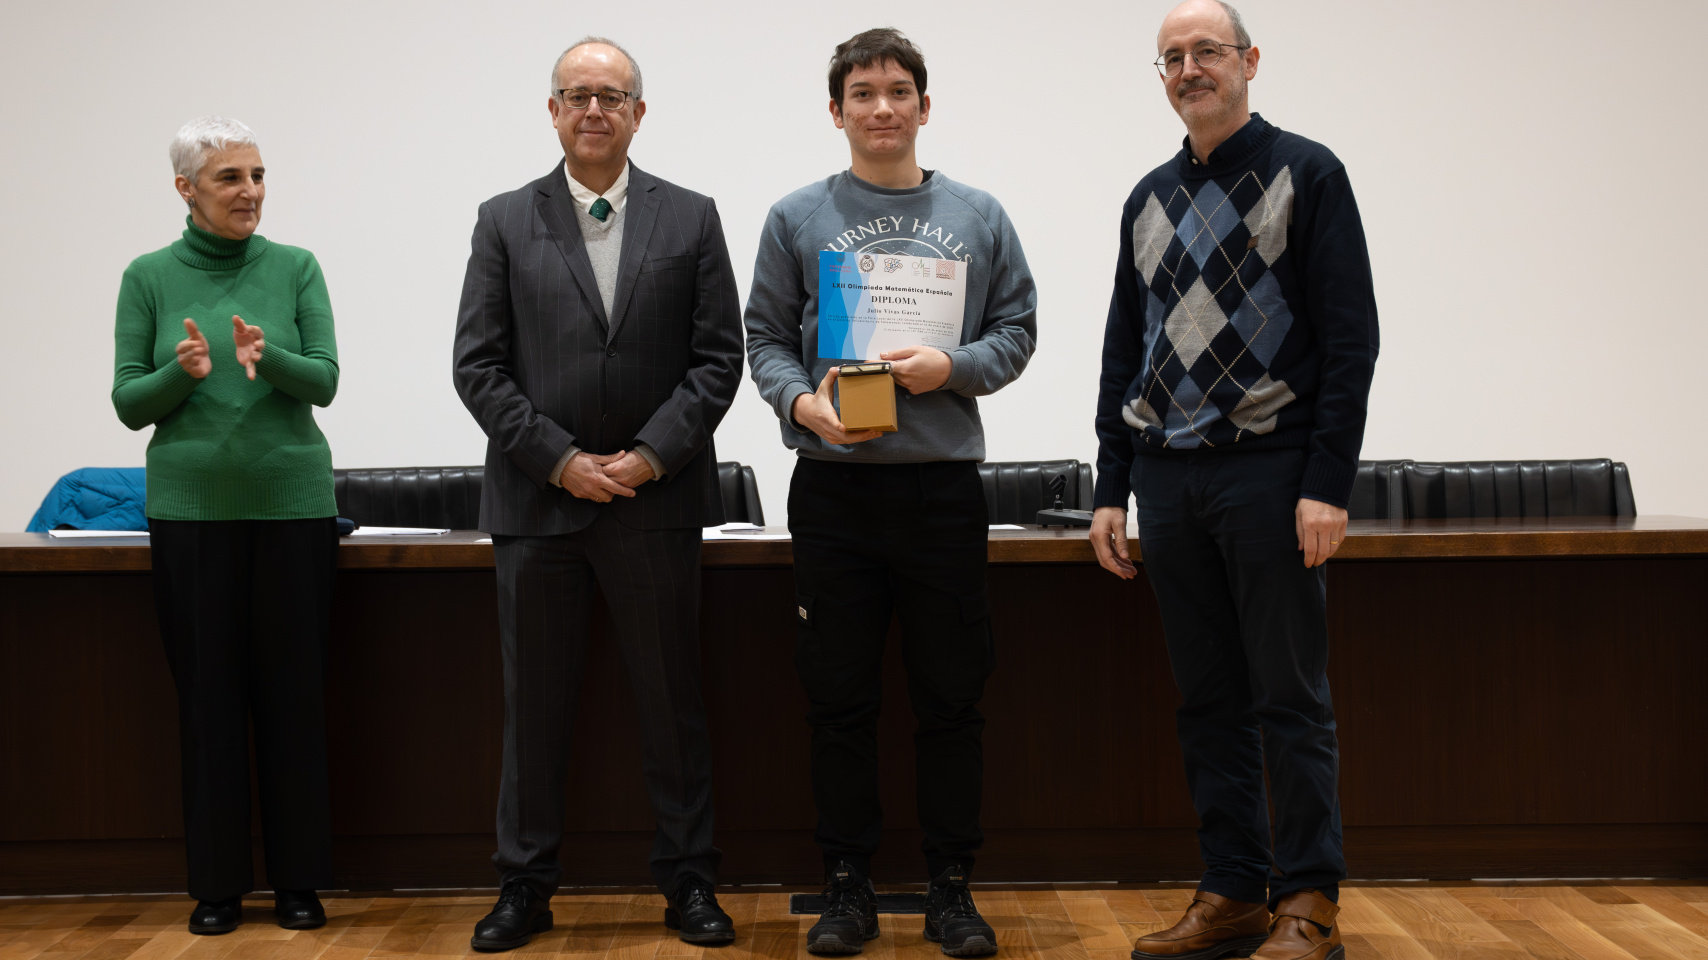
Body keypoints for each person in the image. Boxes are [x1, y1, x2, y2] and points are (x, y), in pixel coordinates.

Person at [1090, 3, 1379, 959]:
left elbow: (1350, 340)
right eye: (1171, 57)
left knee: (1290, 699)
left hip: (1272, 477)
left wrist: (1328, 481)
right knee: (1206, 699)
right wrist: (1111, 485)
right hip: (1170, 482)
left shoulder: (1310, 172)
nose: (1188, 68)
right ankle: (1233, 893)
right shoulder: (1146, 197)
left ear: (1249, 60)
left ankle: (1309, 901)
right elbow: (1124, 348)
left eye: (1206, 51)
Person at [744, 27, 1037, 958]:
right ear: (837, 111)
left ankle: (952, 886)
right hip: (833, 492)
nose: (881, 108)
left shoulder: (978, 214)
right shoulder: (797, 216)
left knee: (952, 697)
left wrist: (950, 364)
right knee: (838, 698)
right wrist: (801, 405)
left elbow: (1020, 332)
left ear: (923, 106)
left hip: (943, 491)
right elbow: (763, 340)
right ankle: (847, 886)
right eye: (862, 93)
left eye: (897, 91)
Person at [451, 36, 745, 953]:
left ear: (638, 113)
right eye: (577, 94)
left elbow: (717, 360)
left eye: (611, 96)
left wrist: (650, 456)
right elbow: (479, 366)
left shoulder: (692, 218)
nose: (593, 110)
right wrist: (560, 459)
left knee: (672, 704)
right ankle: (524, 888)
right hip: (539, 508)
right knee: (533, 711)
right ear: (552, 110)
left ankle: (690, 884)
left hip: (655, 505)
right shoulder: (504, 220)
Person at [112, 116, 340, 935]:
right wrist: (181, 372)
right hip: (191, 516)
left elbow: (325, 381)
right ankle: (215, 887)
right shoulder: (146, 276)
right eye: (230, 179)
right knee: (207, 703)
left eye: (257, 175)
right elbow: (128, 399)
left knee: (293, 700)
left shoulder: (295, 267)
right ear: (186, 190)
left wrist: (265, 356)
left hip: (293, 509)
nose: (251, 192)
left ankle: (298, 883)